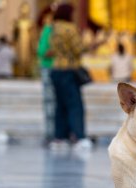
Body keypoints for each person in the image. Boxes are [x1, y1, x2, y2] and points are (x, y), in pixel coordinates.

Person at [49, 3, 92, 151]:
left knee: (60, 106)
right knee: (75, 105)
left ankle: (59, 137)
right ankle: (79, 137)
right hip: (69, 70)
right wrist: (93, 44)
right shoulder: (70, 28)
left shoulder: (53, 28)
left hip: (55, 69)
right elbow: (78, 49)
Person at [37, 6, 55, 145]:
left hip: (58, 70)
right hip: (49, 69)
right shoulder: (48, 30)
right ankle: (50, 134)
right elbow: (42, 51)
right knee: (50, 102)